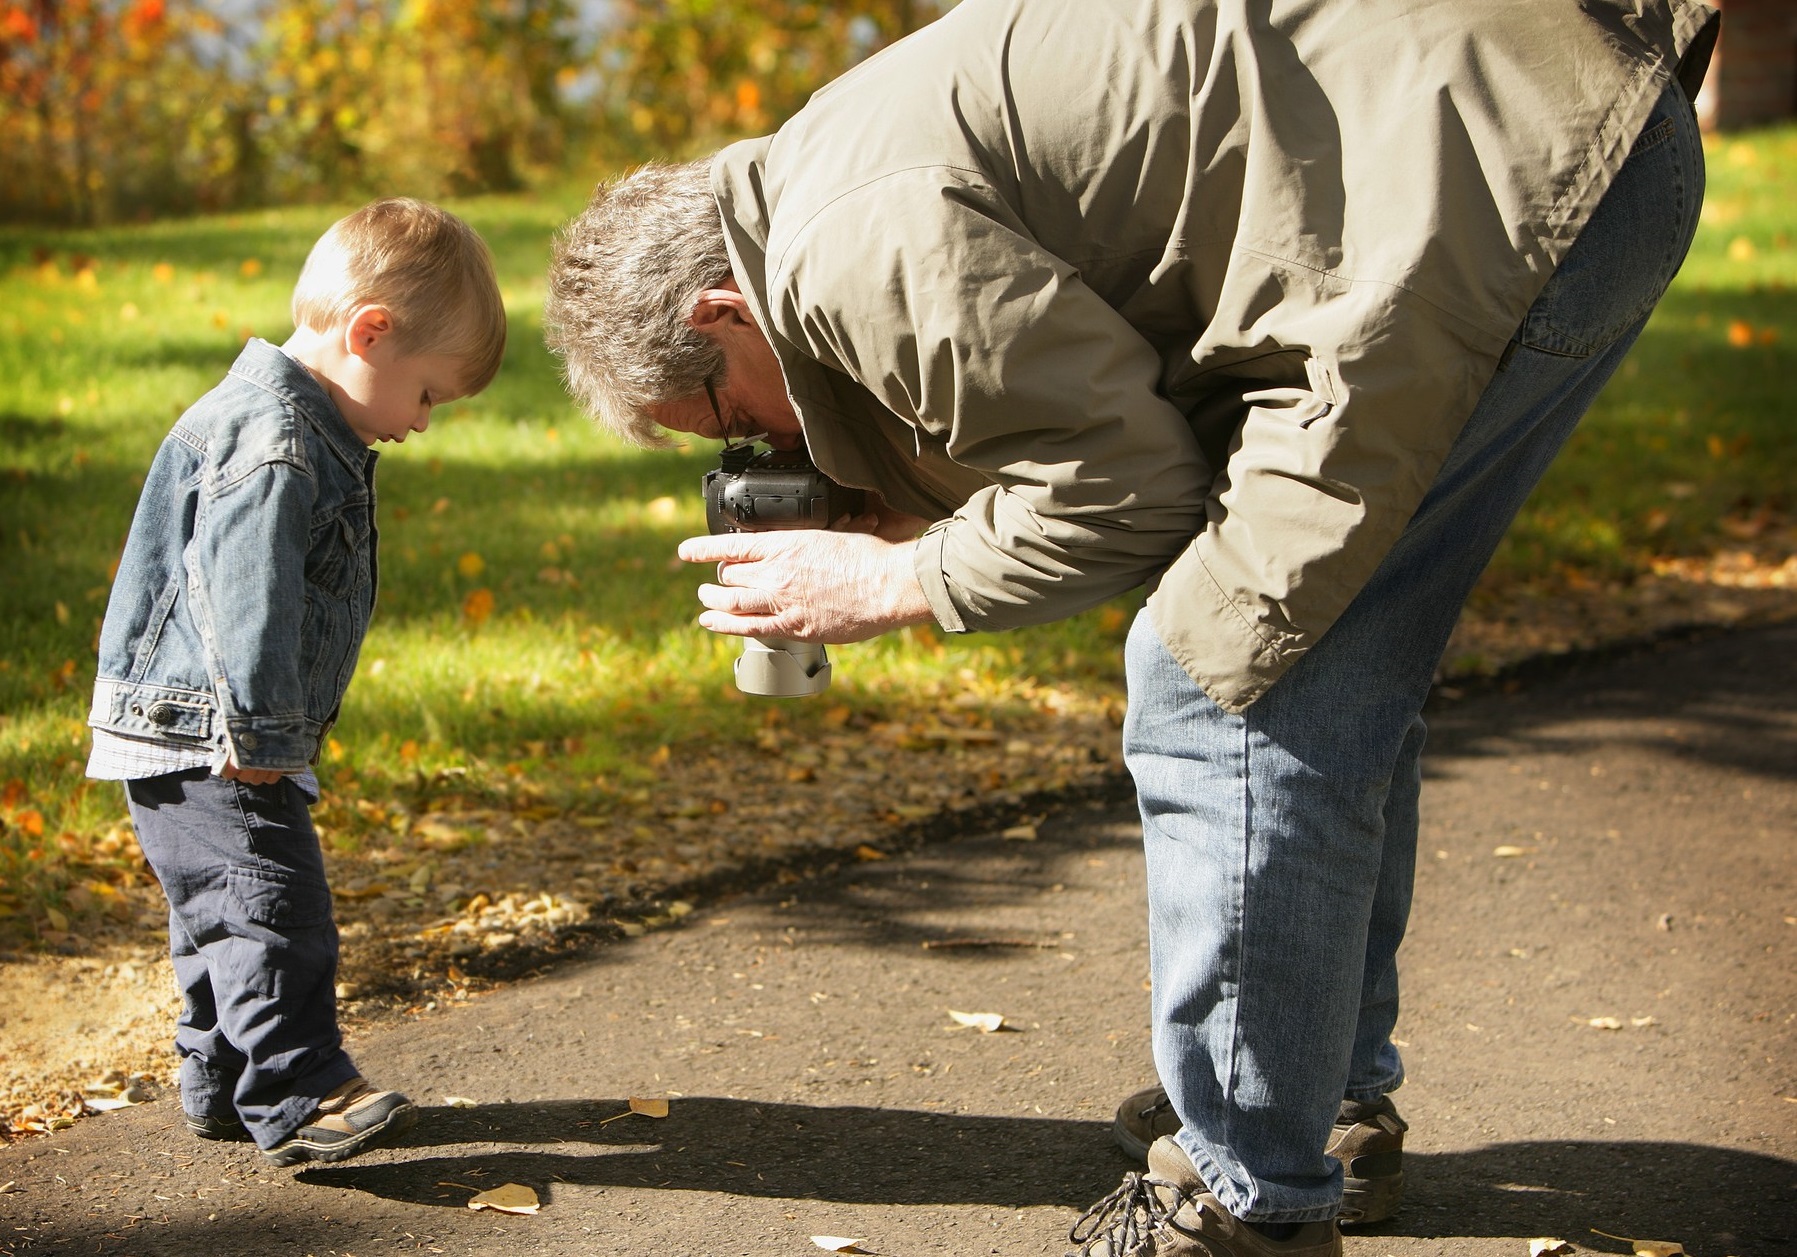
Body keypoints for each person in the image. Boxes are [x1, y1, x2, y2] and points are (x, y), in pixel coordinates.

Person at [544, 1, 1716, 1251]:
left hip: (1488, 181)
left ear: (721, 313)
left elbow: (1127, 489)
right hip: (1546, 137)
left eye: (732, 420)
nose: (762, 449)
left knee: (1219, 679)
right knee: (1327, 664)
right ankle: (1311, 1103)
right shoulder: (821, 174)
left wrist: (896, 582)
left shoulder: (844, 249)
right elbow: (1120, 389)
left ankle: (1241, 1192)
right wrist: (919, 510)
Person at [87, 198, 506, 1166]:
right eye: (427, 394)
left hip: (191, 729)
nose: (423, 423)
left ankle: (221, 1085)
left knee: (219, 920)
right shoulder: (275, 442)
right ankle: (301, 1090)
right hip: (217, 733)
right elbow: (249, 597)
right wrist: (263, 738)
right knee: (274, 909)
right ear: (370, 333)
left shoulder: (293, 425)